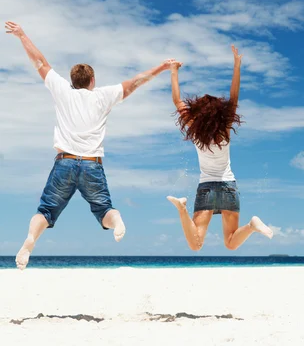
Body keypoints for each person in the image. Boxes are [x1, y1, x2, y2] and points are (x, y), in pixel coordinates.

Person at [5, 21, 178, 270]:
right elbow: (136, 82)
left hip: (64, 162)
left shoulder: (62, 90)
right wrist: (163, 66)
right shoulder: (103, 95)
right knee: (104, 208)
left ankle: (31, 239)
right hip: (91, 164)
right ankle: (116, 220)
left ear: (73, 80)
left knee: (45, 211)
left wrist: (22, 35)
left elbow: (40, 63)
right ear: (92, 80)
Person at [167, 45, 273, 251]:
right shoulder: (224, 129)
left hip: (206, 187)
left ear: (197, 112)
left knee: (196, 244)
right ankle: (251, 226)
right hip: (228, 186)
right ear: (219, 113)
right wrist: (237, 65)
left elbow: (177, 100)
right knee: (231, 242)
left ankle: (182, 208)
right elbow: (234, 97)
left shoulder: (195, 130)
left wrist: (174, 70)